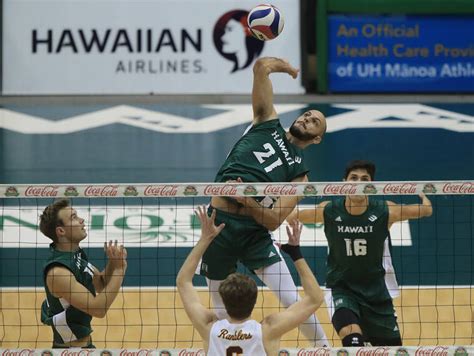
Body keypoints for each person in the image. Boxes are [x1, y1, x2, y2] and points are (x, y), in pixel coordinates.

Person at [199, 56, 329, 345]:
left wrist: (247, 201)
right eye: (307, 115)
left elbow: (274, 220)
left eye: (315, 122)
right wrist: (292, 70)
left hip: (254, 233)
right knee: (223, 311)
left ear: (317, 138)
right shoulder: (265, 121)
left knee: (290, 298)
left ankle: (325, 349)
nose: (307, 119)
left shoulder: (299, 178)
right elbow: (261, 67)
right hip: (219, 225)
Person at [287, 160, 433, 346]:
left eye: (364, 179)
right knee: (353, 343)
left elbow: (425, 211)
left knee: (393, 349)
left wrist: (425, 196)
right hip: (342, 290)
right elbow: (288, 215)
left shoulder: (385, 210)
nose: (358, 183)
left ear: (371, 186)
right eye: (353, 178)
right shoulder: (329, 210)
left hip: (377, 294)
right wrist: (290, 193)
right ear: (343, 183)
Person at [178, 206, 324, 355]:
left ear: (223, 300)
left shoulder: (209, 328)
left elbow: (183, 282)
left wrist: (205, 239)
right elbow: (315, 298)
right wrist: (296, 253)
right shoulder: (268, 330)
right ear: (254, 302)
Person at [39, 199, 127, 348]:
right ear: (61, 231)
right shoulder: (58, 273)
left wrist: (113, 262)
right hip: (70, 350)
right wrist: (119, 270)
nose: (82, 220)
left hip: (83, 348)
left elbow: (101, 284)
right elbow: (98, 309)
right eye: (73, 217)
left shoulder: (75, 255)